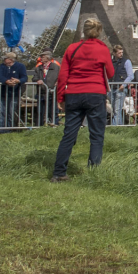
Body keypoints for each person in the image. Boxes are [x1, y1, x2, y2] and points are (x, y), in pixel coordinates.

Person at [51, 19, 115, 181]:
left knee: (69, 134)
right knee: (96, 135)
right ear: (99, 31)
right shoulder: (102, 49)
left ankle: (59, 172)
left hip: (74, 94)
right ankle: (93, 172)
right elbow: (111, 73)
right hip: (95, 93)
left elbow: (63, 75)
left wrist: (61, 97)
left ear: (83, 30)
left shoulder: (72, 48)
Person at [0, 51, 27, 130]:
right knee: (2, 111)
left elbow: (24, 77)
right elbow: (0, 77)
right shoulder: (2, 66)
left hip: (15, 93)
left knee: (12, 111)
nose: (4, 60)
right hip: (3, 93)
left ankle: (11, 128)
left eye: (6, 58)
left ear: (11, 59)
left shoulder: (20, 66)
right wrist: (6, 81)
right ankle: (2, 129)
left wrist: (18, 81)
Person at [31, 52, 59, 126]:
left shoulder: (56, 67)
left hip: (52, 92)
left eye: (42, 57)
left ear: (47, 58)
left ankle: (54, 124)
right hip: (41, 92)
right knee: (40, 110)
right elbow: (34, 77)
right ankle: (40, 126)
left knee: (53, 110)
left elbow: (61, 76)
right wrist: (37, 80)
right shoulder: (39, 68)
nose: (41, 58)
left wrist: (58, 81)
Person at [109, 45, 133, 126]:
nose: (121, 54)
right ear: (114, 53)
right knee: (114, 108)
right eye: (119, 53)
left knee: (117, 109)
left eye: (122, 52)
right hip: (112, 87)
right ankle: (119, 125)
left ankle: (115, 127)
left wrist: (124, 85)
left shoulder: (126, 62)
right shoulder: (111, 62)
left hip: (120, 88)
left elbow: (130, 76)